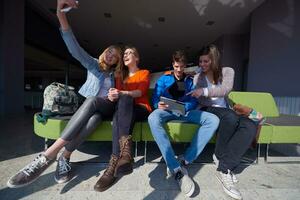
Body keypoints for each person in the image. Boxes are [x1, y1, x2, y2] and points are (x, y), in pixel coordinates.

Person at [7, 0, 124, 188]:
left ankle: (48, 155)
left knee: (94, 101)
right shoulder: (94, 64)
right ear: (104, 53)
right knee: (93, 120)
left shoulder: (118, 74)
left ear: (118, 60)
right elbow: (74, 49)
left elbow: (124, 94)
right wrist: (61, 15)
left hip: (108, 107)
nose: (111, 55)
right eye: (109, 51)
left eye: (116, 55)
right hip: (92, 109)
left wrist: (116, 95)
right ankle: (64, 158)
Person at [148, 50, 219, 197]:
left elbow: (194, 100)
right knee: (152, 118)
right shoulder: (163, 79)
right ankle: (175, 167)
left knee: (213, 120)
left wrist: (184, 108)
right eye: (176, 66)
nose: (179, 70)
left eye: (182, 67)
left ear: (185, 66)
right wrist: (157, 104)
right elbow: (155, 98)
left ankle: (186, 159)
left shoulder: (190, 81)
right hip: (166, 112)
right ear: (173, 65)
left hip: (186, 112)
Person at [191, 44, 257, 200]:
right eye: (200, 62)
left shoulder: (228, 71)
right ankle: (222, 162)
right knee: (229, 117)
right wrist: (198, 82)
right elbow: (199, 98)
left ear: (214, 60)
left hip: (227, 110)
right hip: (208, 109)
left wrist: (205, 90)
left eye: (206, 61)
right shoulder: (198, 77)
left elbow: (225, 90)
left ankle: (223, 164)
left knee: (249, 125)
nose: (202, 65)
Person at [94, 46, 151, 192]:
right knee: (120, 108)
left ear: (136, 58)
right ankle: (122, 157)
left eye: (129, 53)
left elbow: (140, 92)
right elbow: (117, 96)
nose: (125, 55)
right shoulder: (119, 75)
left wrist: (122, 92)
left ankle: (113, 163)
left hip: (141, 108)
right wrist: (112, 94)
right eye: (124, 53)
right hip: (123, 110)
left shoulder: (144, 73)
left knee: (125, 98)